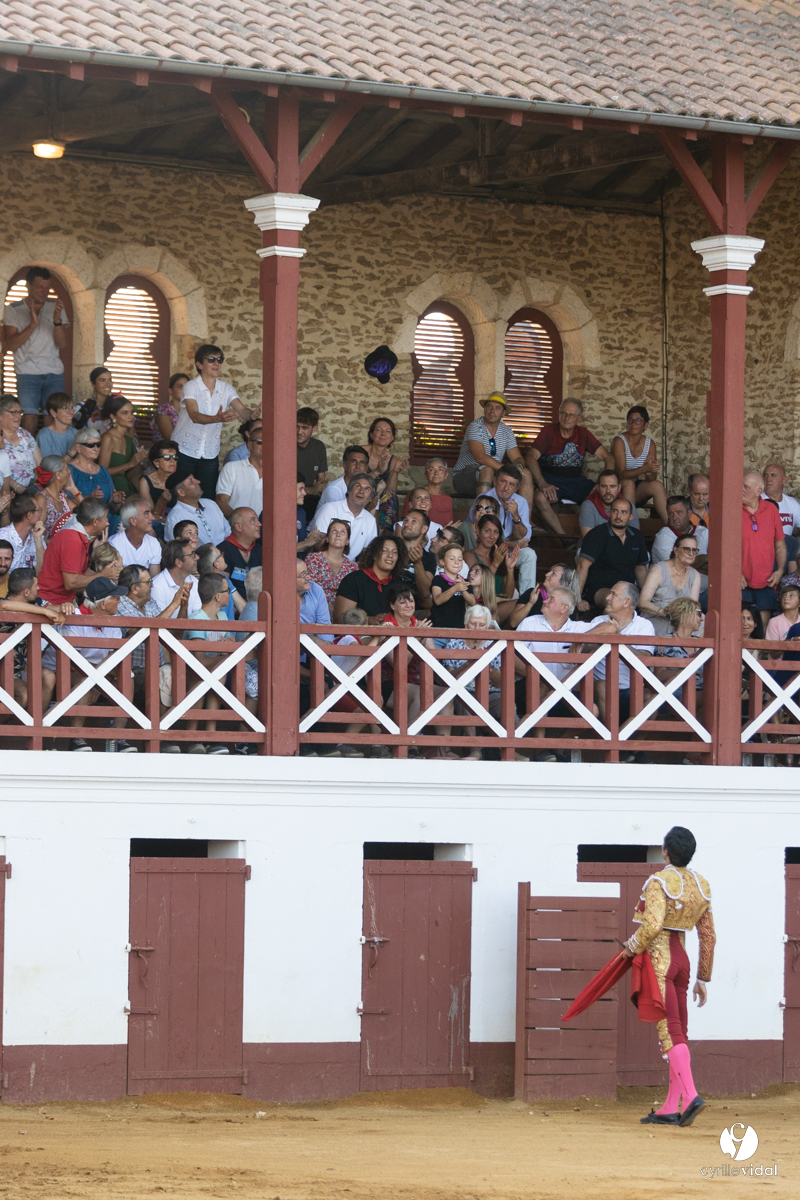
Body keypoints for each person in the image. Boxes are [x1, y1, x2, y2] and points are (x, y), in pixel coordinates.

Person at [622, 826, 715, 1128]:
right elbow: (709, 936)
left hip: (661, 961)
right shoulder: (701, 885)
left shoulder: (659, 881)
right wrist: (703, 978)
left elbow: (652, 926)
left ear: (665, 852)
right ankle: (668, 1107)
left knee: (670, 1033)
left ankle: (690, 1096)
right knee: (679, 1032)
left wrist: (630, 948)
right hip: (683, 962)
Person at [42, 575, 134, 752]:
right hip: (62, 670)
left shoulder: (113, 621)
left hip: (94, 671)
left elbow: (115, 659)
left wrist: (96, 682)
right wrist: (94, 681)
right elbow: (72, 663)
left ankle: (117, 738)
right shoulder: (74, 617)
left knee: (127, 677)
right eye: (115, 598)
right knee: (84, 680)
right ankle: (76, 738)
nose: (120, 601)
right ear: (103, 604)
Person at [380, 582, 456, 760]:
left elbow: (433, 662)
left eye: (411, 601)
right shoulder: (386, 626)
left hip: (418, 682)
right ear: (392, 605)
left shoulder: (418, 625)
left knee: (445, 694)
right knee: (421, 693)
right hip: (388, 685)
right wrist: (418, 636)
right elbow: (399, 664)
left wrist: (424, 636)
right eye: (402, 602)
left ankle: (444, 749)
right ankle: (408, 745)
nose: (409, 605)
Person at [117, 563, 192, 743]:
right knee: (162, 675)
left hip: (154, 668)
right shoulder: (121, 604)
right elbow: (145, 631)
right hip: (131, 670)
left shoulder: (150, 604)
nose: (152, 585)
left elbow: (174, 635)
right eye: (148, 581)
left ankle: (161, 737)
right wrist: (173, 604)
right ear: (134, 588)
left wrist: (182, 606)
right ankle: (149, 739)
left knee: (172, 674)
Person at [172, 344, 253, 498]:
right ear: (199, 364)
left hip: (210, 454)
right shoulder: (190, 386)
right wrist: (218, 418)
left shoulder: (226, 388)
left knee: (207, 496)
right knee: (180, 495)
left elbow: (242, 410)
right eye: (211, 359)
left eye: (219, 359)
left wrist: (253, 415)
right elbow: (194, 415)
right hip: (184, 450)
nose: (217, 363)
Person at [527, 398, 614, 535]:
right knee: (540, 498)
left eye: (571, 415)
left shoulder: (583, 434)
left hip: (576, 483)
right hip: (553, 483)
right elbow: (530, 457)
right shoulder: (548, 432)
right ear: (559, 414)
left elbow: (608, 457)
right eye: (563, 413)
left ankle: (600, 537)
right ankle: (564, 537)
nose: (566, 418)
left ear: (579, 418)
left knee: (604, 493)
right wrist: (542, 484)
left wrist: (603, 483)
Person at [2, 267, 68, 434]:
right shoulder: (13, 309)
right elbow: (9, 345)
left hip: (54, 372)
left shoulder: (56, 307)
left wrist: (57, 322)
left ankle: (50, 459)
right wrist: (33, 324)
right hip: (27, 372)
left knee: (53, 418)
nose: (44, 291)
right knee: (29, 418)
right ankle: (28, 459)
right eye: (40, 286)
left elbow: (62, 344)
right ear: (28, 286)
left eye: (47, 287)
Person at [585, 581, 656, 734]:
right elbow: (582, 652)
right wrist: (596, 639)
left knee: (654, 699)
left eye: (613, 594)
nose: (608, 597)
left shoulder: (644, 625)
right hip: (601, 692)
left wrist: (619, 639)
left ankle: (633, 750)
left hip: (634, 689)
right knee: (602, 685)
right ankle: (613, 743)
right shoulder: (598, 622)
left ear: (627, 602)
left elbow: (644, 660)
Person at [0, 566, 71, 712]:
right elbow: (5, 605)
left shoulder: (36, 602)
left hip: (21, 669)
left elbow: (55, 608)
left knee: (48, 676)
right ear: (26, 592)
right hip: (2, 668)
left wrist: (65, 606)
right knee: (23, 695)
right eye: (35, 585)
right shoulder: (3, 602)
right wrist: (44, 611)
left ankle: (35, 726)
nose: (38, 588)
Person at [184, 573, 237, 755]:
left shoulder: (222, 616)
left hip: (214, 671)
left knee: (218, 673)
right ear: (218, 596)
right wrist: (226, 656)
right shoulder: (197, 618)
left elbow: (231, 646)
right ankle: (193, 737)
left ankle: (210, 735)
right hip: (191, 674)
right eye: (227, 591)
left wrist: (229, 648)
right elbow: (199, 661)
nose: (230, 594)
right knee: (211, 675)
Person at [452, 392, 533, 507]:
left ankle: (525, 522)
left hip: (495, 475)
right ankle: (484, 519)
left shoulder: (506, 431)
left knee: (526, 474)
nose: (492, 411)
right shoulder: (475, 426)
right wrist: (507, 471)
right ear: (484, 409)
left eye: (497, 408)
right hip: (464, 478)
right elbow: (481, 457)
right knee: (487, 470)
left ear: (503, 413)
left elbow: (517, 457)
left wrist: (519, 466)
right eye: (489, 406)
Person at [37, 498, 115, 605]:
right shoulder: (73, 540)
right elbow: (71, 582)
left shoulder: (77, 536)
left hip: (63, 601)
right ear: (95, 521)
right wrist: (102, 575)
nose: (108, 523)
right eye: (105, 518)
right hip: (53, 602)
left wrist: (108, 576)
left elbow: (79, 573)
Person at [576, 497, 649, 609]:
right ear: (609, 513)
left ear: (631, 517)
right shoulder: (597, 534)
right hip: (599, 589)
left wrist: (646, 596)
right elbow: (582, 565)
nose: (618, 516)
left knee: (646, 603)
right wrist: (577, 599)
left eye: (624, 512)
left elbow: (640, 569)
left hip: (627, 588)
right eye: (615, 511)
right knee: (615, 602)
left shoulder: (636, 536)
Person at [742, 470, 786, 628]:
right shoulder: (732, 510)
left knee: (762, 631)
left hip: (766, 581)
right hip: (740, 581)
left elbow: (780, 544)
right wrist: (732, 572)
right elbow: (720, 546)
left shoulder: (771, 510)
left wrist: (780, 570)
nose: (741, 489)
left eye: (746, 486)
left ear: (758, 491)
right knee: (741, 628)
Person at [611, 405, 668, 525]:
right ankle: (632, 529)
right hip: (616, 487)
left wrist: (650, 471)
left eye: (638, 421)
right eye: (630, 420)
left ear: (645, 425)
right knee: (629, 483)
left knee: (657, 485)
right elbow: (621, 474)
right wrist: (644, 468)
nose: (633, 424)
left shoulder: (649, 443)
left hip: (634, 489)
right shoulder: (619, 441)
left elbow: (651, 478)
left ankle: (671, 526)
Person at [333, 534, 407, 621]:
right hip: (358, 634)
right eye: (384, 551)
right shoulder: (353, 580)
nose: (390, 555)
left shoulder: (399, 583)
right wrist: (370, 620)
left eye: (395, 552)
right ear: (374, 555)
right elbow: (339, 618)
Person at [638, 535, 701, 635]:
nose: (691, 553)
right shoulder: (658, 570)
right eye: (687, 549)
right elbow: (642, 602)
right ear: (676, 550)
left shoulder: (695, 575)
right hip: (655, 619)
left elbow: (693, 607)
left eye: (694, 550)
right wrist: (664, 612)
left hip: (680, 624)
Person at [464, 513, 520, 625]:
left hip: (497, 606)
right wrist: (495, 563)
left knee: (523, 604)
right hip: (478, 606)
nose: (491, 536)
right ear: (478, 531)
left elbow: (508, 595)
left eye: (495, 532)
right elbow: (477, 586)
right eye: (487, 531)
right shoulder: (468, 555)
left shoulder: (499, 556)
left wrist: (509, 569)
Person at [311, 474, 378, 560]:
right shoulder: (330, 509)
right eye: (358, 486)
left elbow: (367, 553)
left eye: (367, 489)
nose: (361, 491)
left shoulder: (370, 520)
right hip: (323, 563)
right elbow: (317, 546)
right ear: (349, 490)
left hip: (350, 568)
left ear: (370, 498)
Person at [98, 396, 149, 498]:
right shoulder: (108, 438)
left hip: (128, 489)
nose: (131, 417)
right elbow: (101, 473)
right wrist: (131, 464)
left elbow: (134, 473)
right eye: (125, 413)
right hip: (111, 492)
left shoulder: (128, 440)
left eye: (131, 412)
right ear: (113, 416)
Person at [363, 416, 407, 530]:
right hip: (359, 493)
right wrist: (377, 471)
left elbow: (390, 492)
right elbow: (355, 480)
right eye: (378, 430)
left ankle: (385, 534)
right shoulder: (360, 453)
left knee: (391, 497)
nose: (383, 434)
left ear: (392, 438)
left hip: (380, 500)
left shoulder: (393, 460)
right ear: (371, 435)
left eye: (388, 431)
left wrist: (395, 472)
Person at [510, 562, 585, 628]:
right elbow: (513, 623)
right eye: (550, 572)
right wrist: (530, 603)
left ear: (565, 583)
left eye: (553, 573)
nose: (546, 574)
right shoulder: (532, 593)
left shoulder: (567, 605)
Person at [305, 519, 358, 611]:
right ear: (327, 538)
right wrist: (324, 605)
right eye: (334, 531)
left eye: (343, 532)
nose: (338, 535)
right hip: (315, 610)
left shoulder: (352, 567)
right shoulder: (314, 559)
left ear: (347, 541)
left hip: (342, 612)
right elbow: (309, 589)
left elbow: (353, 595)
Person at [164, 472, 231, 546]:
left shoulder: (211, 504)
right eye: (191, 481)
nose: (198, 481)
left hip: (227, 553)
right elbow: (178, 550)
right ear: (181, 492)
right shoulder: (175, 518)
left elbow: (228, 531)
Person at [68, 427, 121, 512]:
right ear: (78, 448)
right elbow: (64, 503)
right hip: (81, 520)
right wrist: (89, 498)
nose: (96, 448)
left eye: (98, 445)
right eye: (91, 445)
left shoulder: (103, 470)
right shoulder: (69, 469)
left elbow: (112, 508)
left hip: (105, 519)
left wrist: (115, 501)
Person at [216, 421, 263, 517]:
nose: (265, 445)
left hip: (267, 529)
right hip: (237, 528)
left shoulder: (277, 473)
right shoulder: (232, 468)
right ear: (250, 445)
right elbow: (221, 500)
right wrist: (240, 522)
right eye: (260, 441)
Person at [578, 468, 641, 539]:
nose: (608, 491)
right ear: (598, 488)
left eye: (612, 486)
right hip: (593, 549)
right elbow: (589, 540)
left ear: (619, 488)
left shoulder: (628, 506)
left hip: (623, 548)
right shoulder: (588, 506)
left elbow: (636, 537)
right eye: (604, 486)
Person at [217, 507, 262, 600]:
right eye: (253, 520)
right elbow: (223, 587)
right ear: (238, 527)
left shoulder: (261, 550)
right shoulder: (223, 550)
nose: (259, 524)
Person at [762, 461, 800, 571]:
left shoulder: (792, 503)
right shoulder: (757, 502)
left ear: (784, 480)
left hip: (788, 553)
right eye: (765, 475)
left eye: (773, 475)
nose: (768, 479)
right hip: (765, 553)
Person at [651, 495, 709, 566]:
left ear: (689, 514)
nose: (675, 517)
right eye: (670, 513)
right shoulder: (663, 536)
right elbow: (678, 566)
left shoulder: (704, 532)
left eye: (679, 512)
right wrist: (705, 558)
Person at [109, 499, 162, 575]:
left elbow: (155, 579)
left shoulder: (153, 543)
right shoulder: (113, 544)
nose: (152, 518)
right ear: (133, 521)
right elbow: (114, 581)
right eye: (146, 514)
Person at [431, 541, 476, 629]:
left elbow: (472, 602)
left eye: (460, 559)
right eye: (452, 558)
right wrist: (455, 588)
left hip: (458, 628)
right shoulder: (438, 579)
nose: (456, 562)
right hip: (438, 628)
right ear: (442, 562)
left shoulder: (464, 581)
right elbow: (437, 600)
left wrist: (463, 590)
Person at [0, 393, 41, 487]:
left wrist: (38, 484)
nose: (18, 416)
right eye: (14, 412)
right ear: (0, 415)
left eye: (20, 412)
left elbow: (39, 463)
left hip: (32, 488)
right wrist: (18, 488)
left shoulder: (24, 434)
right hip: (7, 491)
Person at [397, 508, 436, 607]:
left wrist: (418, 563)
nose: (407, 524)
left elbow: (426, 593)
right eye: (405, 520)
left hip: (413, 609)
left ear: (424, 529)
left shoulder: (429, 558)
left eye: (413, 521)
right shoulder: (391, 549)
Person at [35, 455, 80, 540]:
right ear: (58, 475)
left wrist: (74, 490)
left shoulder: (62, 497)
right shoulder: (41, 498)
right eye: (66, 469)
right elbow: (37, 534)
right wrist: (58, 543)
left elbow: (87, 514)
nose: (69, 472)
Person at [150, 538, 201, 613]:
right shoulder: (156, 586)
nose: (197, 557)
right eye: (192, 554)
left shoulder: (194, 582)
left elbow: (197, 617)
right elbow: (159, 622)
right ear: (179, 562)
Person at [138, 440, 179, 531]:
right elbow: (150, 515)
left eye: (175, 457)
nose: (172, 461)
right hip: (157, 522)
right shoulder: (145, 481)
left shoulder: (181, 480)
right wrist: (161, 502)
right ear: (156, 462)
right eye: (167, 457)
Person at [402, 457, 454, 526]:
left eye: (440, 470)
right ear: (426, 475)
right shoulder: (415, 494)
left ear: (446, 475)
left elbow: (449, 524)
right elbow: (405, 521)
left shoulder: (447, 498)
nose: (436, 473)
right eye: (432, 470)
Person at [296, 406, 328, 508]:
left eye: (305, 428)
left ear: (315, 428)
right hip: (288, 497)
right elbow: (282, 486)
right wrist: (311, 490)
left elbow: (320, 482)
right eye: (297, 426)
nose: (299, 432)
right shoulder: (286, 446)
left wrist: (315, 490)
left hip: (309, 498)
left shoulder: (318, 446)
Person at [3, 495, 45, 572]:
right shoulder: (3, 537)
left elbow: (42, 571)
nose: (41, 514)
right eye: (39, 510)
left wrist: (38, 540)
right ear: (29, 515)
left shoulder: (38, 536)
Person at [73, 366, 116, 433]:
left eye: (110, 380)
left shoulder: (116, 406)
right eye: (103, 380)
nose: (108, 384)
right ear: (93, 384)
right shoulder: (84, 406)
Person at [37, 392, 76, 457]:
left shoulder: (75, 433)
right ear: (53, 413)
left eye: (72, 407)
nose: (71, 412)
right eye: (65, 408)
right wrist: (71, 452)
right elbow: (49, 466)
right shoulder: (44, 436)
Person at [152, 373, 187, 444]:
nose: (184, 390)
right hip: (166, 451)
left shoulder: (191, 409)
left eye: (187, 387)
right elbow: (170, 438)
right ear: (170, 391)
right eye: (180, 387)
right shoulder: (163, 410)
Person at [765, 575, 800, 643]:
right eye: (784, 595)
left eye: (791, 595)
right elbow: (772, 651)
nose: (786, 598)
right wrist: (791, 641)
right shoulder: (774, 622)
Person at [296, 476, 324, 555]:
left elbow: (303, 549)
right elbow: (281, 551)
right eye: (300, 489)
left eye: (304, 489)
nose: (304, 493)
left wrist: (315, 540)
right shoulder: (275, 514)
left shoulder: (301, 513)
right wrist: (307, 542)